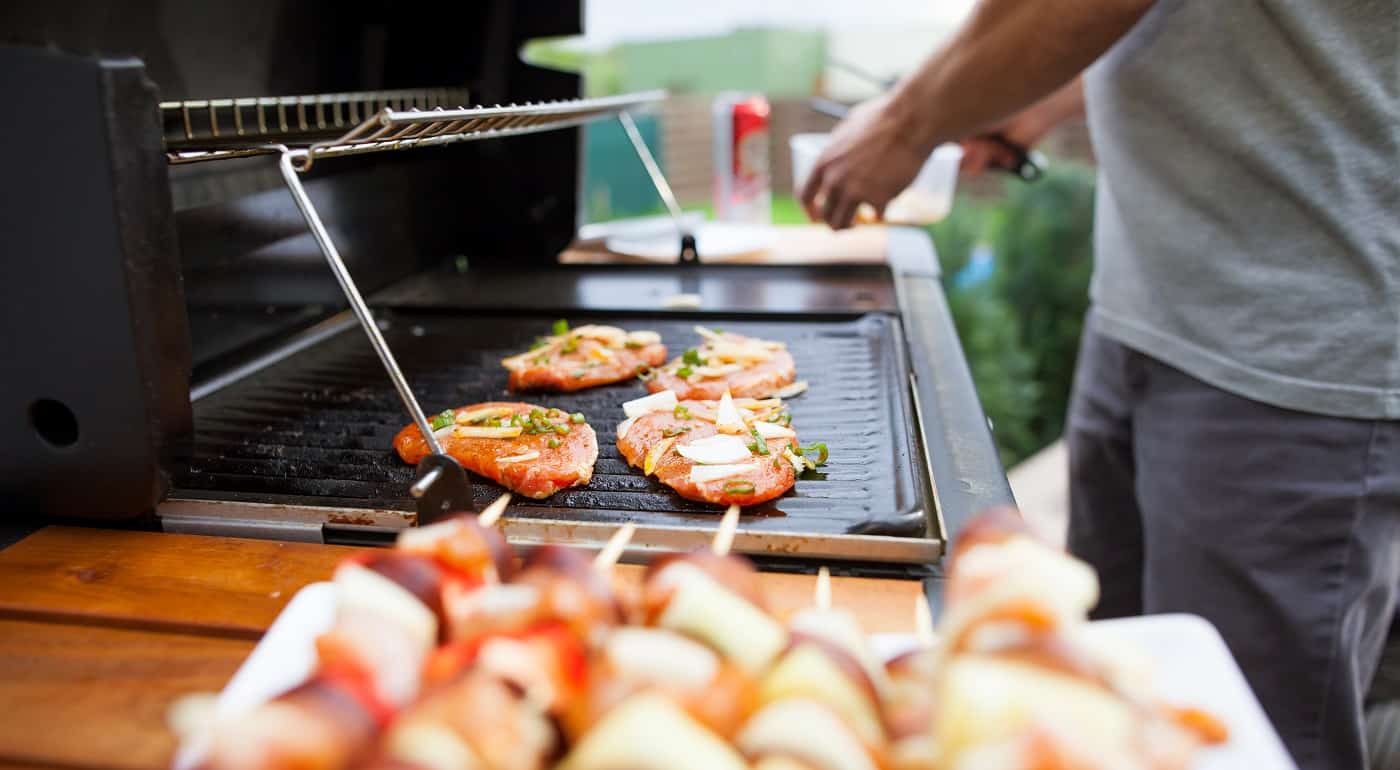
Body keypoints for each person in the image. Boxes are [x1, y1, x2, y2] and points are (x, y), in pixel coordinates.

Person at [800, 2, 1400, 769]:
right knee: (1102, 707)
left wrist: (905, 123)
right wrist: (1045, 92)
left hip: (1287, 349)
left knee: (1246, 738)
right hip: (1142, 308)